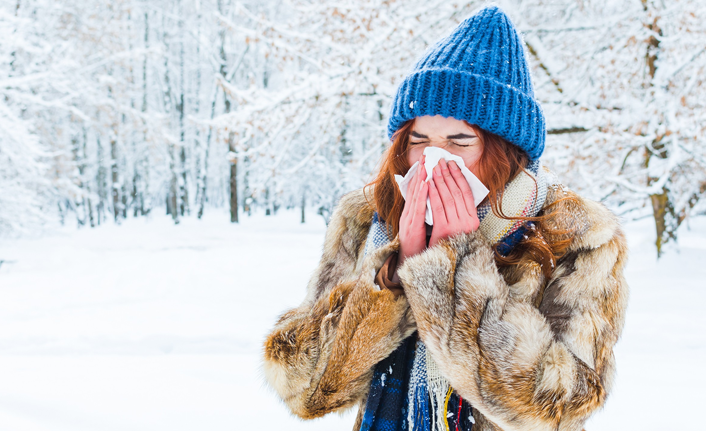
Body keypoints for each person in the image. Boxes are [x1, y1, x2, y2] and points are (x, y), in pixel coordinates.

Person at [262, 6, 628, 431]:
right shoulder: (369, 220)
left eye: (459, 141)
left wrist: (459, 265)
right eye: (419, 140)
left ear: (505, 152)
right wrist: (393, 278)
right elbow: (305, 389)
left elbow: (560, 405)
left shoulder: (575, 235)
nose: (435, 159)